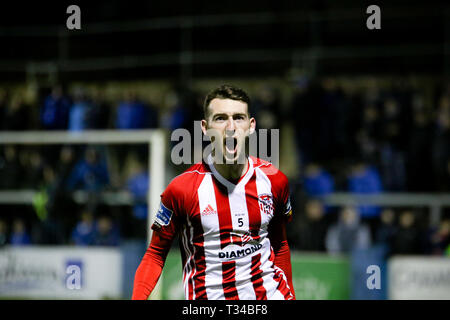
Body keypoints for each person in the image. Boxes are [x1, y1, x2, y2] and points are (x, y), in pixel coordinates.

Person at [132, 84, 295, 300]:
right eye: (220, 118)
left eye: (238, 117)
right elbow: (155, 254)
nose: (230, 127)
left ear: (251, 125)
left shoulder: (274, 180)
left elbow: (280, 244)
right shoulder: (182, 189)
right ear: (205, 127)